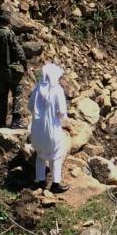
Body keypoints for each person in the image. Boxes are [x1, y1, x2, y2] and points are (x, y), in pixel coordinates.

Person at [28, 63, 70, 194]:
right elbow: (62, 111)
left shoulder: (37, 89)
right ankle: (55, 183)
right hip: (52, 130)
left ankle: (40, 181)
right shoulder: (57, 90)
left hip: (37, 130)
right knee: (56, 156)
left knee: (40, 155)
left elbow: (30, 107)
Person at [0, 14, 27, 129]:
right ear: (8, 22)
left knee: (2, 96)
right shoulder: (8, 33)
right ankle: (16, 120)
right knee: (17, 93)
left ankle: (2, 122)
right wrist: (24, 64)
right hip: (11, 69)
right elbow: (18, 51)